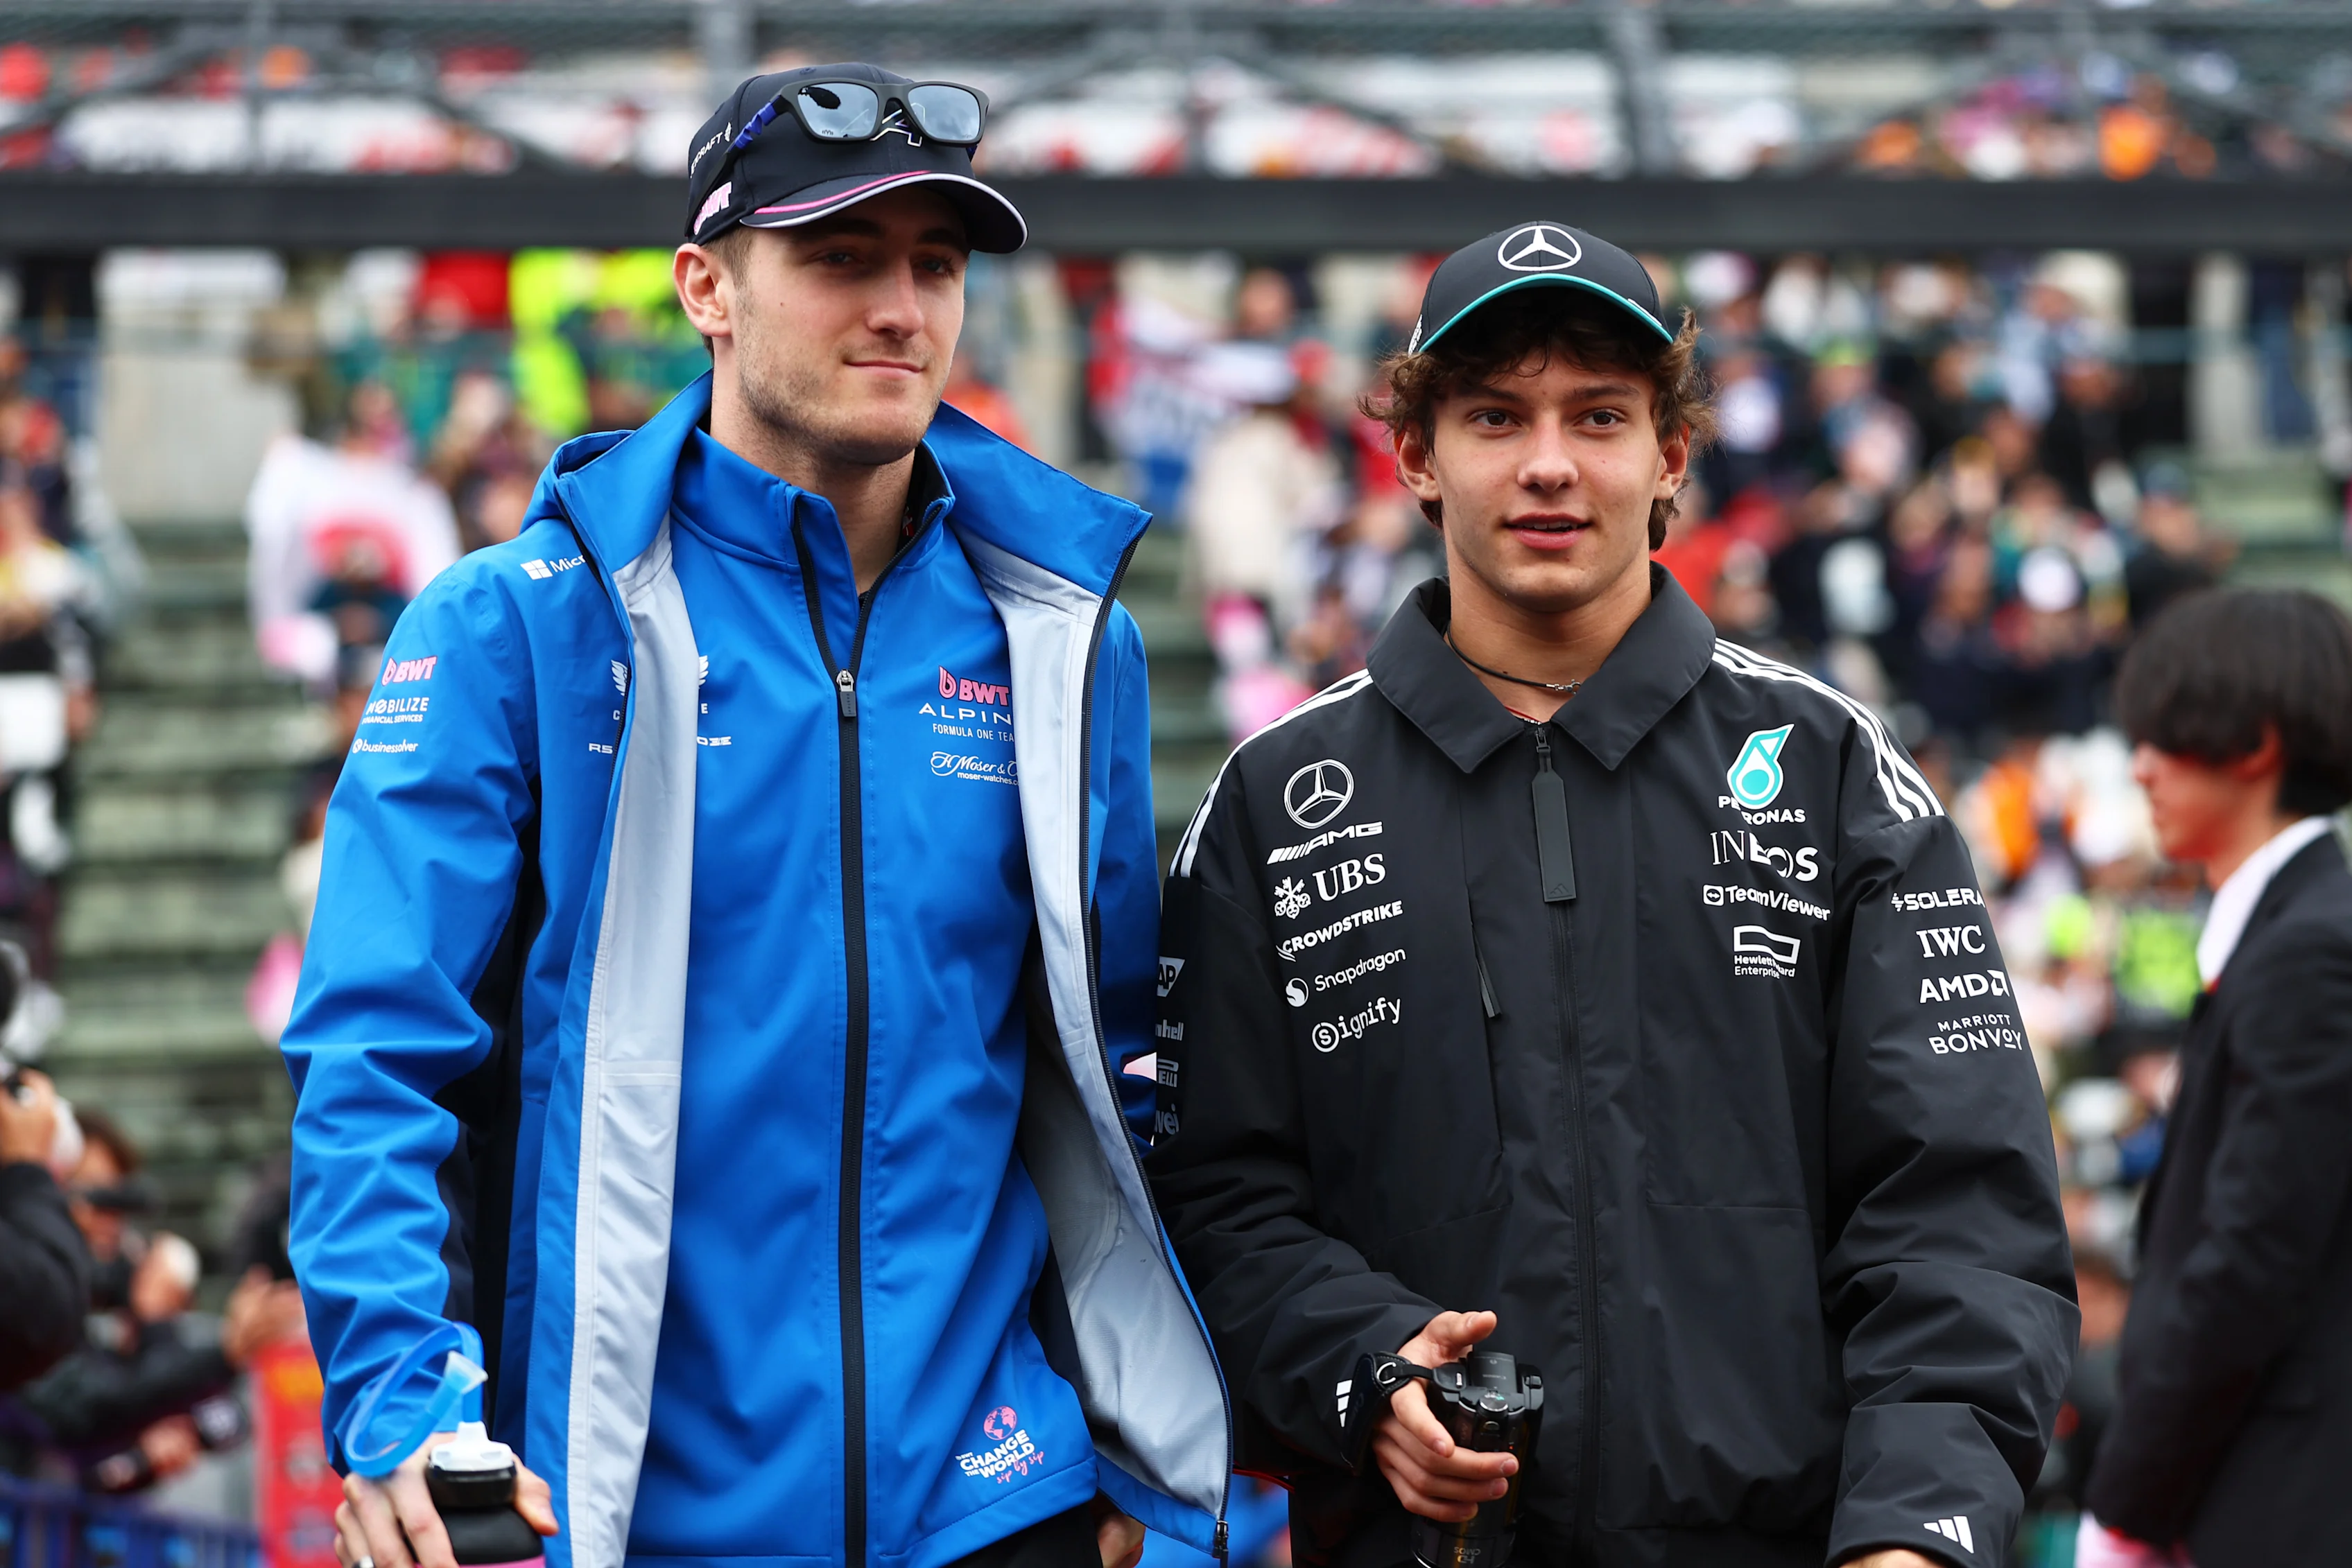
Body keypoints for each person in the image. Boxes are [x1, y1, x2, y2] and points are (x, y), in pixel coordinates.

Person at [284, 63, 1229, 1568]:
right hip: (628, 1509)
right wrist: (403, 1407)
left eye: (936, 264)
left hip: (1003, 1503)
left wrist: (1148, 1468)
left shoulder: (1061, 640)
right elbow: (374, 1058)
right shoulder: (514, 626)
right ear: (705, 288)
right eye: (841, 258)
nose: (902, 310)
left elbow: (1120, 1072)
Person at [1148, 222, 2077, 1568]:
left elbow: (1959, 1213)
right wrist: (1366, 1372)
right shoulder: (1272, 802)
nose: (1546, 462)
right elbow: (1215, 1202)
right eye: (1492, 414)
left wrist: (1911, 1533)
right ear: (1415, 456)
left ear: (1670, 458)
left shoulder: (1833, 776)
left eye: (1598, 416)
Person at [2079, 590, 2352, 1568]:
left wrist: (2127, 1506)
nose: (2140, 765)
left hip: (2282, 1503)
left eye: (2168, 733)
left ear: (2255, 743)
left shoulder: (2309, 950)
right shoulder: (2287, 934)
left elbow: (2252, 1258)